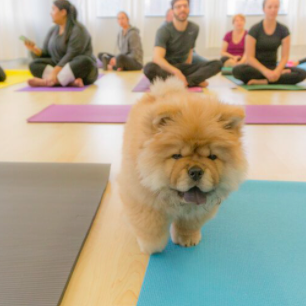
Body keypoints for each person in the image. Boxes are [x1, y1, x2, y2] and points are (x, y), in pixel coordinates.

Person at [144, 0, 221, 87]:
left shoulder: (194, 28)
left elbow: (190, 52)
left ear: (189, 9)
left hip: (183, 67)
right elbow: (157, 58)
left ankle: (183, 81)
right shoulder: (163, 30)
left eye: (185, 6)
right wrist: (176, 72)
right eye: (178, 7)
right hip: (167, 68)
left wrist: (187, 70)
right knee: (149, 68)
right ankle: (190, 81)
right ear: (173, 11)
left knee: (217, 64)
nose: (182, 9)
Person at [24, 0, 98, 88]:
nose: (50, 13)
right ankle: (67, 82)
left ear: (63, 12)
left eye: (53, 10)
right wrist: (34, 49)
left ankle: (48, 81)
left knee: (86, 61)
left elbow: (72, 55)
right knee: (34, 64)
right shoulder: (52, 30)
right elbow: (46, 53)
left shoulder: (78, 29)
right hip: (59, 66)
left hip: (79, 69)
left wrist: (55, 72)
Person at [233, 0, 306, 85]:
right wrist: (266, 72)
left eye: (276, 7)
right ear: (264, 9)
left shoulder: (283, 30)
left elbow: (285, 57)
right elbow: (249, 58)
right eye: (270, 7)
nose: (273, 10)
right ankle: (276, 78)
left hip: (273, 67)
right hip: (256, 68)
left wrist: (277, 71)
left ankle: (265, 81)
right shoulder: (254, 29)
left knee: (302, 73)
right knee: (237, 70)